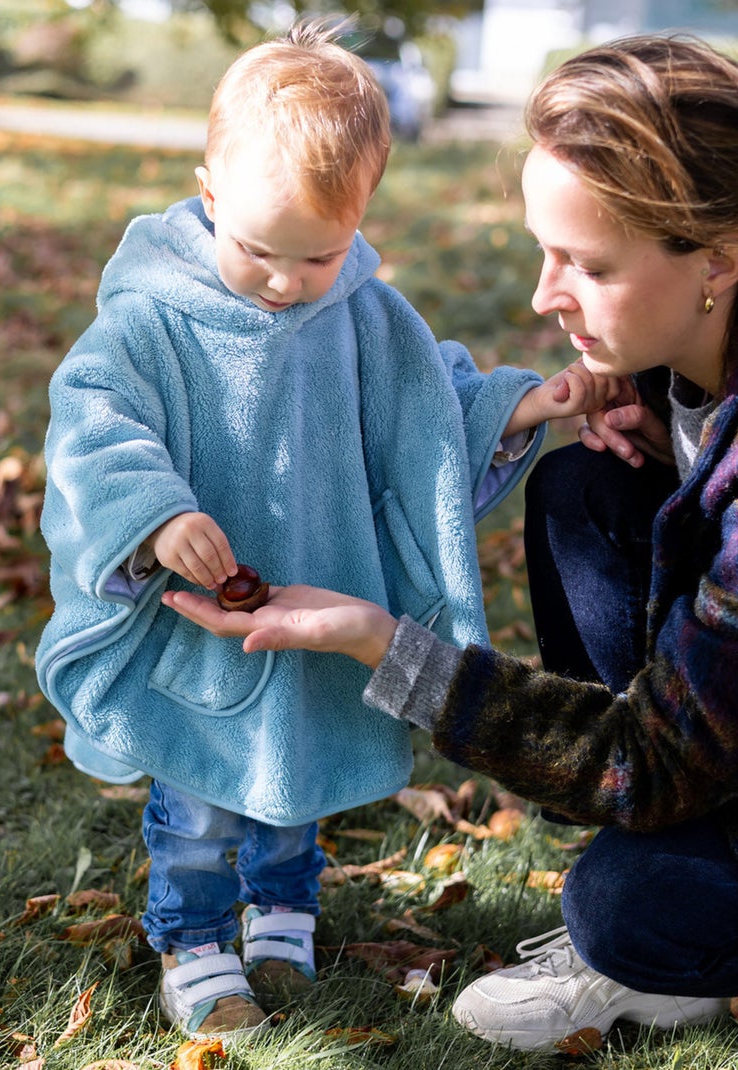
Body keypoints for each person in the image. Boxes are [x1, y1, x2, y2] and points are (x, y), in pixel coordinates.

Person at [34, 17, 612, 1046]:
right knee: (202, 794)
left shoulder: (360, 315)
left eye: (319, 254)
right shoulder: (152, 317)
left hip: (320, 592)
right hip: (199, 614)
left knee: (293, 772)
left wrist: (516, 408)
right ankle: (193, 939)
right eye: (259, 250)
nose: (284, 280)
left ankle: (283, 909)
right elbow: (96, 420)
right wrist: (156, 516)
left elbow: (423, 409)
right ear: (210, 194)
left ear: (359, 221)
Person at [161, 33, 738, 1054]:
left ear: (718, 259)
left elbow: (642, 761)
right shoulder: (668, 381)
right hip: (701, 738)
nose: (544, 296)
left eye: (589, 265)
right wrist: (665, 449)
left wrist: (384, 645)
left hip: (669, 758)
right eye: (544, 251)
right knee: (581, 489)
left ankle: (666, 929)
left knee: (620, 906)